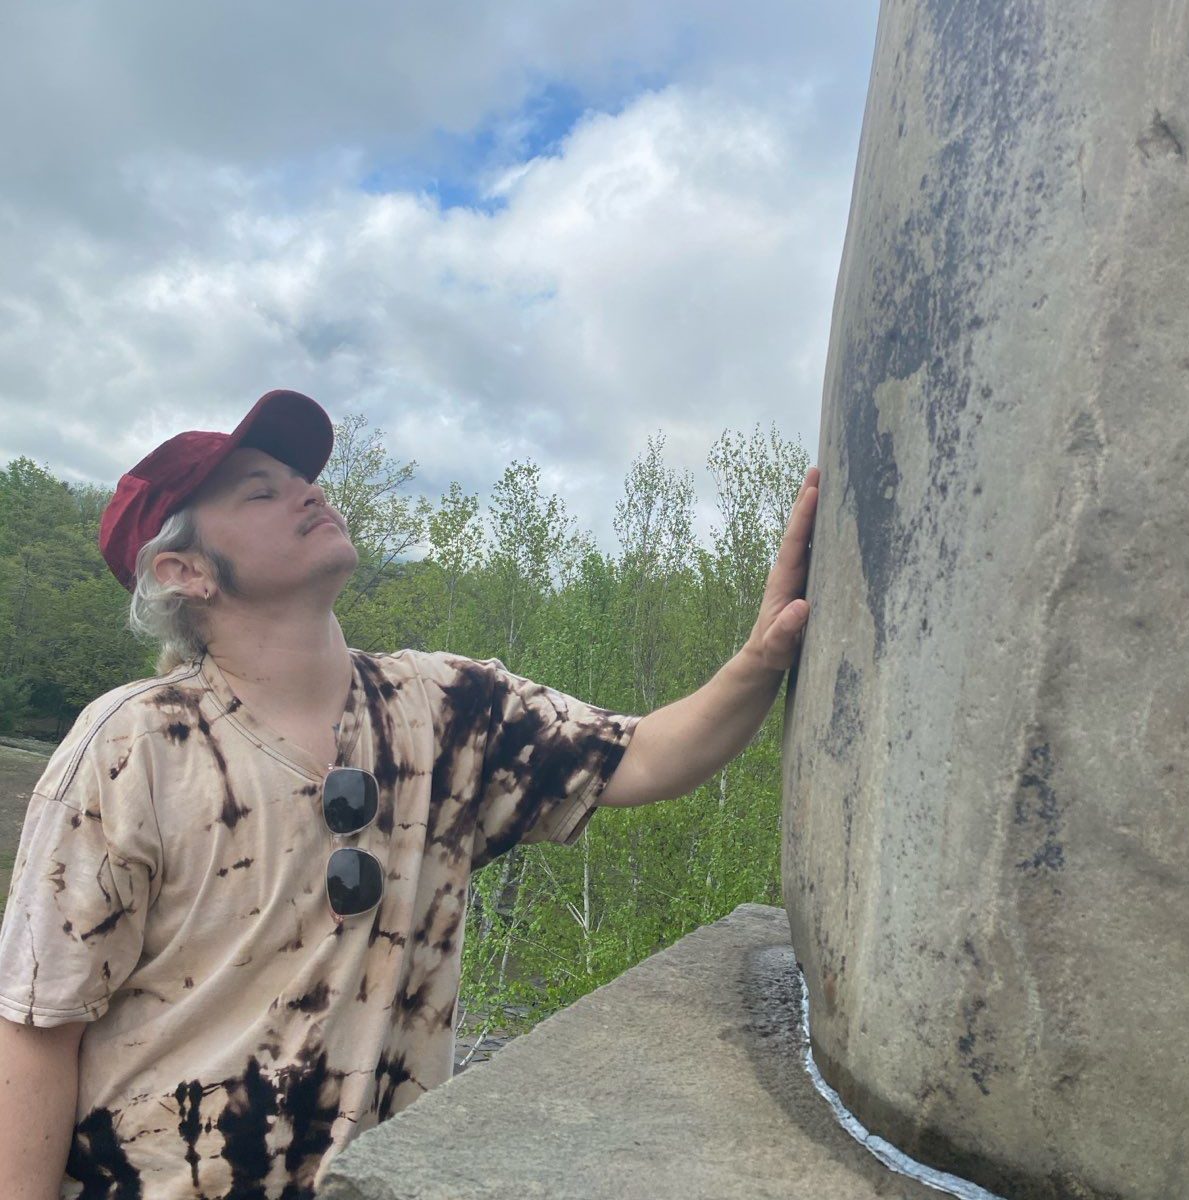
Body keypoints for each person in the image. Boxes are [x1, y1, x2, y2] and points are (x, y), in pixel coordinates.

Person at [0, 389, 819, 1199]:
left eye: (302, 479)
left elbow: (640, 759)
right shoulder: (131, 747)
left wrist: (761, 653)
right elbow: (38, 1027)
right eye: (260, 491)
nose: (308, 491)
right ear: (184, 571)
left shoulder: (442, 707)